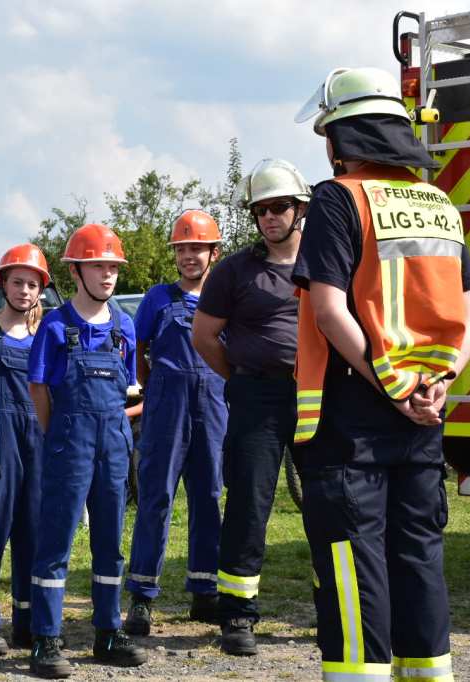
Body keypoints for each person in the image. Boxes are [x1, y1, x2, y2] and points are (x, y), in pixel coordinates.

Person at [293, 66, 470, 682]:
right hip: (426, 412)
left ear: (340, 138)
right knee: (419, 555)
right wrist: (440, 381)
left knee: (353, 562)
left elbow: (328, 310)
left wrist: (392, 388)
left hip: (354, 416)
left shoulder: (337, 198)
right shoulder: (439, 203)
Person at [191, 158, 311, 656]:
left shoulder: (328, 262)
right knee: (248, 504)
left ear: (300, 209)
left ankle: (335, 608)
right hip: (256, 397)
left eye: (278, 207)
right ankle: (237, 615)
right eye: (260, 210)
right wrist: (241, 376)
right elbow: (204, 336)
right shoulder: (234, 270)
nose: (269, 217)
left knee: (330, 504)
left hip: (317, 396)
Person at [26, 223, 145, 679]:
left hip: (113, 444)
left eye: (113, 267)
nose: (108, 274)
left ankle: (108, 632)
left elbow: (129, 387)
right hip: (69, 443)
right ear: (75, 271)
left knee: (110, 542)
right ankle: (46, 638)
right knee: (56, 541)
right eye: (98, 266)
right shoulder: (56, 326)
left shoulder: (124, 326)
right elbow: (39, 388)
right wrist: (56, 434)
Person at [123, 210, 226, 636]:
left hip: (214, 405)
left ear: (213, 252)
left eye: (196, 248)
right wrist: (152, 386)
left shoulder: (225, 298)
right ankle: (142, 595)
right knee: (156, 497)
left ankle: (205, 591)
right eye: (181, 249)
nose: (188, 256)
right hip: (167, 408)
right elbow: (136, 346)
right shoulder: (157, 298)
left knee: (209, 496)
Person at [0, 244, 50, 656]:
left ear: (41, 290)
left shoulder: (45, 338)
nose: (24, 291)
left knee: (34, 532)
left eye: (32, 285)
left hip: (37, 441)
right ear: (2, 284)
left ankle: (29, 621)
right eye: (18, 282)